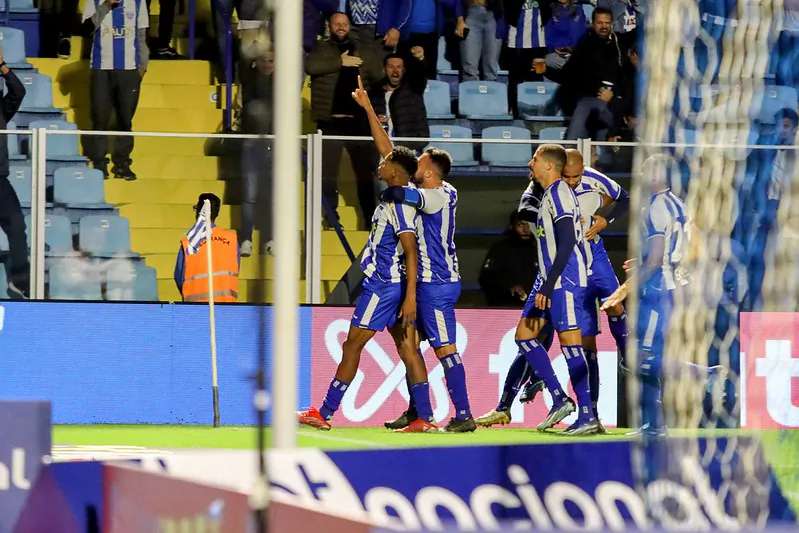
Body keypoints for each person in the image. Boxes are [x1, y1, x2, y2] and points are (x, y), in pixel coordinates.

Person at [352, 76, 475, 433]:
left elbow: (399, 189)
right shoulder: (429, 186)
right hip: (421, 282)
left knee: (444, 348)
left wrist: (390, 187)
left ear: (431, 172)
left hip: (436, 283)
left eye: (418, 164)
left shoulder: (439, 195)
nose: (412, 166)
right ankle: (418, 410)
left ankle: (464, 413)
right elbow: (390, 155)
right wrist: (368, 111)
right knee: (412, 348)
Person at [297, 144, 438, 433]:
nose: (381, 163)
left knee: (353, 344)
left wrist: (410, 297)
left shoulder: (397, 205)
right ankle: (424, 417)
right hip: (392, 284)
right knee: (408, 348)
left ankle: (324, 412)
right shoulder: (395, 200)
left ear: (396, 171)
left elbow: (410, 249)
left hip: (383, 286)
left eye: (386, 160)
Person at [504, 145, 597, 435]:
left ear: (548, 166)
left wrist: (548, 282)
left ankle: (587, 414)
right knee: (525, 336)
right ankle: (559, 398)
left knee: (571, 345)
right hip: (550, 280)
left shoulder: (558, 194)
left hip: (565, 281)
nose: (530, 162)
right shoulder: (548, 195)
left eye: (535, 159)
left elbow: (568, 240)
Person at [601, 155, 689, 436]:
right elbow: (674, 250)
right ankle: (655, 423)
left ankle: (701, 375)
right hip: (678, 286)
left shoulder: (655, 207)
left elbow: (655, 260)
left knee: (644, 357)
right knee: (651, 354)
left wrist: (623, 289)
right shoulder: (678, 203)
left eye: (645, 170)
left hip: (659, 290)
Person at [306, 12, 384, 226]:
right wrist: (339, 62)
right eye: (337, 24)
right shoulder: (321, 48)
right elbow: (310, 67)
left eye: (344, 24)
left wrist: (368, 58)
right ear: (329, 26)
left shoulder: (363, 47)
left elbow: (378, 75)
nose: (341, 27)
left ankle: (372, 221)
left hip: (359, 122)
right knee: (327, 175)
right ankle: (331, 219)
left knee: (367, 175)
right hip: (330, 122)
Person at [82, 0, 149, 181]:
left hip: (128, 70)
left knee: (125, 119)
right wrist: (105, 5)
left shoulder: (138, 2)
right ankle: (99, 163)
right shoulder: (94, 2)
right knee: (99, 118)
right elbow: (88, 28)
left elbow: (141, 35)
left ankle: (122, 164)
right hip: (100, 68)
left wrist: (143, 66)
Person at [561, 7, 625, 140]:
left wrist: (613, 95)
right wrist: (599, 91)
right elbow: (572, 74)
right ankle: (570, 152)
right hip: (590, 99)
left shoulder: (619, 43)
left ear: (612, 23)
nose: (604, 26)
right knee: (588, 107)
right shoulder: (585, 44)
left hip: (615, 102)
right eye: (600, 23)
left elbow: (623, 77)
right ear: (593, 23)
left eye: (607, 23)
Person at [238, 47, 274, 258]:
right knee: (250, 195)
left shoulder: (283, 84)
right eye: (264, 60)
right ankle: (246, 239)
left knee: (273, 195)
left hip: (276, 144)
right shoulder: (250, 81)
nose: (268, 64)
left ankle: (271, 238)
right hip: (252, 143)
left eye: (271, 60)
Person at [174, 193, 240, 302]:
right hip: (227, 308)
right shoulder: (232, 239)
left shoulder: (189, 241)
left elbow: (179, 277)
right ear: (216, 214)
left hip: (194, 308)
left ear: (199, 212)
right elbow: (235, 270)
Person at [0, 49, 28, 298]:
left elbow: (19, 92)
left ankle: (20, 281)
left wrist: (3, 67)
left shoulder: (2, 108)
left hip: (0, 183)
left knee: (18, 226)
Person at [367, 48, 429, 147]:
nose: (395, 71)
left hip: (406, 150)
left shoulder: (413, 90)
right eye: (391, 67)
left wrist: (420, 59)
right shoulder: (374, 94)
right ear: (384, 69)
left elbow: (420, 76)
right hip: (379, 149)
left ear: (403, 70)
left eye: (399, 67)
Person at [478, 210, 538, 307]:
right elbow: (486, 278)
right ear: (512, 226)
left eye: (529, 225)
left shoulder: (539, 248)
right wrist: (509, 288)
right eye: (520, 225)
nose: (526, 229)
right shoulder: (500, 249)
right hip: (505, 307)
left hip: (534, 308)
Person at [502, 0, 549, 115]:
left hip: (539, 43)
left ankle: (537, 112)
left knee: (537, 77)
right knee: (515, 79)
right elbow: (509, 12)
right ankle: (513, 111)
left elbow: (548, 12)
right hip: (516, 43)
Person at [456, 0, 503, 81]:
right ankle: (470, 92)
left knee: (491, 68)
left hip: (493, 16)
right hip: (471, 15)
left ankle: (490, 92)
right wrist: (460, 19)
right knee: (469, 68)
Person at [544, 0, 587, 72]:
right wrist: (555, 48)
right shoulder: (550, 10)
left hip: (576, 53)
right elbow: (548, 33)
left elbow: (580, 32)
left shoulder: (578, 9)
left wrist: (573, 49)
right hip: (557, 54)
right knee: (549, 59)